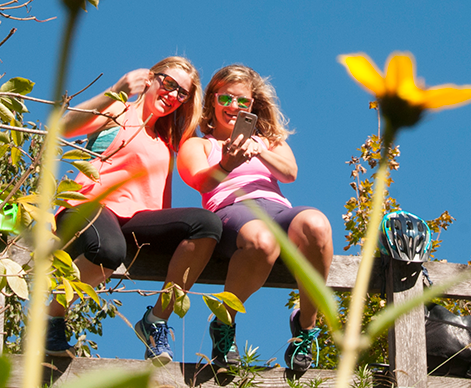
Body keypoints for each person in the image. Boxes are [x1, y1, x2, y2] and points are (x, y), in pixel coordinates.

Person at [46, 56, 222, 364]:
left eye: (182, 93)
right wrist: (117, 90)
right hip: (90, 207)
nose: (172, 95)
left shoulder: (167, 141)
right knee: (109, 252)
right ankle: (51, 317)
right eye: (168, 84)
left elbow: (199, 180)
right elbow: (60, 126)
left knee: (207, 224)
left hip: (137, 222)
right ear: (150, 78)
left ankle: (155, 321)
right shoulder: (119, 110)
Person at [177, 64, 333, 371]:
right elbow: (200, 181)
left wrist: (257, 149)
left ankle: (305, 326)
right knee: (262, 240)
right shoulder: (199, 144)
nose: (233, 107)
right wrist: (227, 161)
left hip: (276, 208)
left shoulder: (267, 141)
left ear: (253, 106)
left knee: (317, 225)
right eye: (225, 99)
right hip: (231, 210)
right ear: (212, 101)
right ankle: (224, 321)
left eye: (242, 102)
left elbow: (290, 173)